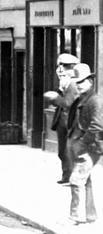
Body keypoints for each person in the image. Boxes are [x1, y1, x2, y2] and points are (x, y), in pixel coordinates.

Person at [66, 63, 103, 225]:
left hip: (90, 147)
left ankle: (76, 216)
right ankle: (90, 215)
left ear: (90, 81)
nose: (79, 85)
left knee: (76, 180)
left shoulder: (95, 101)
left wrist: (82, 142)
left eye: (82, 82)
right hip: (81, 146)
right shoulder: (82, 99)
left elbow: (97, 126)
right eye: (77, 82)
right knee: (85, 181)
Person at [43, 53, 79, 184]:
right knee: (62, 151)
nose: (60, 72)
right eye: (60, 69)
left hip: (72, 122)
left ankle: (71, 177)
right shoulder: (64, 85)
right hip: (61, 121)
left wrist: (55, 97)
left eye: (64, 69)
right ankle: (66, 176)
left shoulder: (74, 85)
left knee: (69, 151)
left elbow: (68, 103)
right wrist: (58, 93)